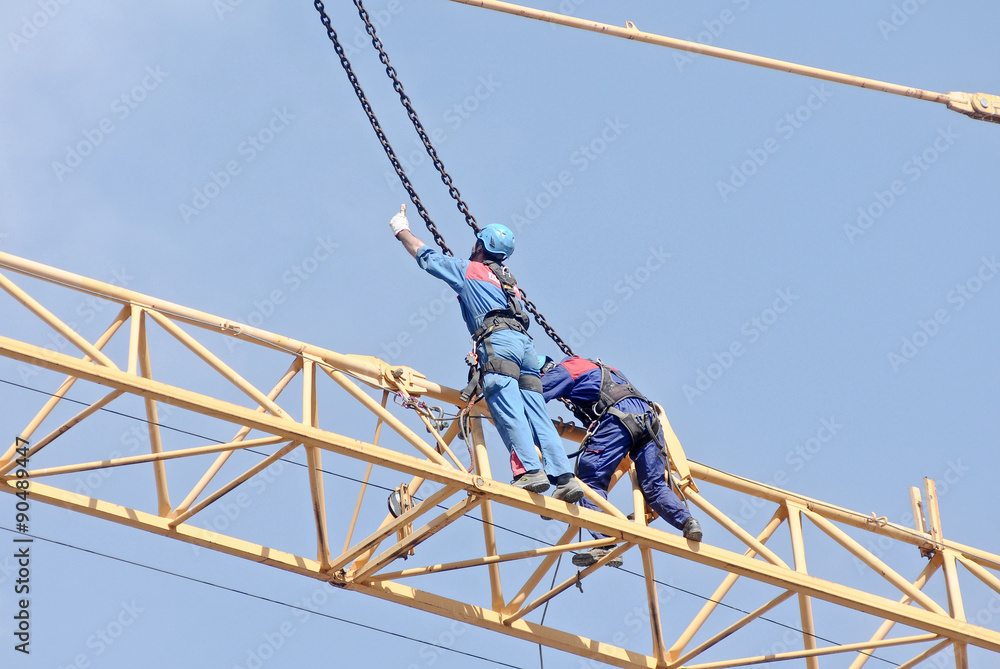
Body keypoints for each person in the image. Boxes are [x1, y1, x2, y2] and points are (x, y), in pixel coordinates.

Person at [389, 207, 583, 502]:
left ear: (481, 246)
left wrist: (401, 230)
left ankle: (530, 471)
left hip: (499, 345)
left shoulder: (469, 270)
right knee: (537, 413)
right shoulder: (511, 285)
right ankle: (565, 478)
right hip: (526, 349)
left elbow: (425, 256)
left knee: (508, 409)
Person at [523, 355, 703, 567]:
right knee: (654, 486)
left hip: (619, 419)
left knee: (589, 481)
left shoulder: (563, 370)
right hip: (648, 421)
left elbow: (532, 395)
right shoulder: (602, 368)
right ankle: (688, 522)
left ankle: (605, 543)